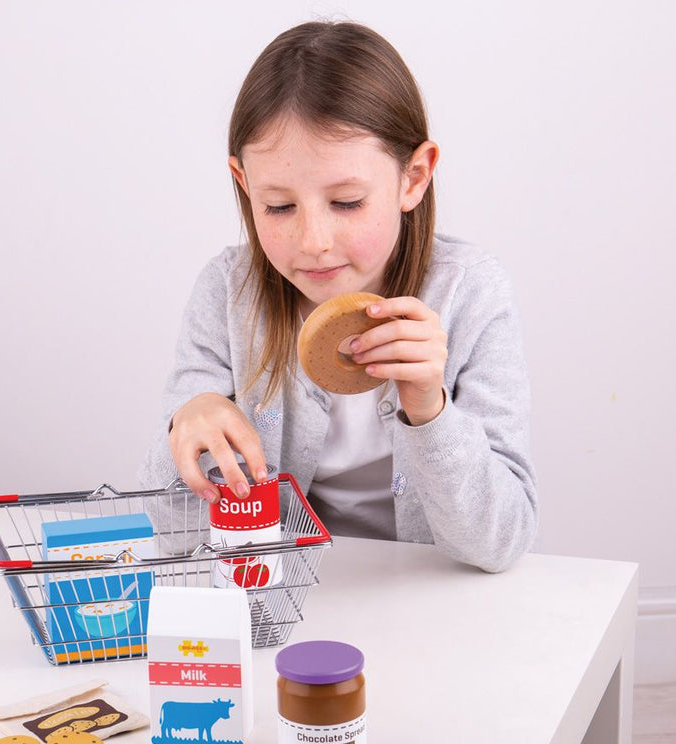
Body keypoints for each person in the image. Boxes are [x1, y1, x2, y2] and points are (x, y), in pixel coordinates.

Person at [139, 20, 537, 573]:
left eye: (347, 202)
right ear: (244, 183)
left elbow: (502, 542)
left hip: (433, 602)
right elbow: (176, 535)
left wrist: (429, 410)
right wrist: (188, 426)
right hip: (287, 602)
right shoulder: (229, 294)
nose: (314, 243)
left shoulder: (470, 293)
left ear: (413, 178)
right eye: (279, 207)